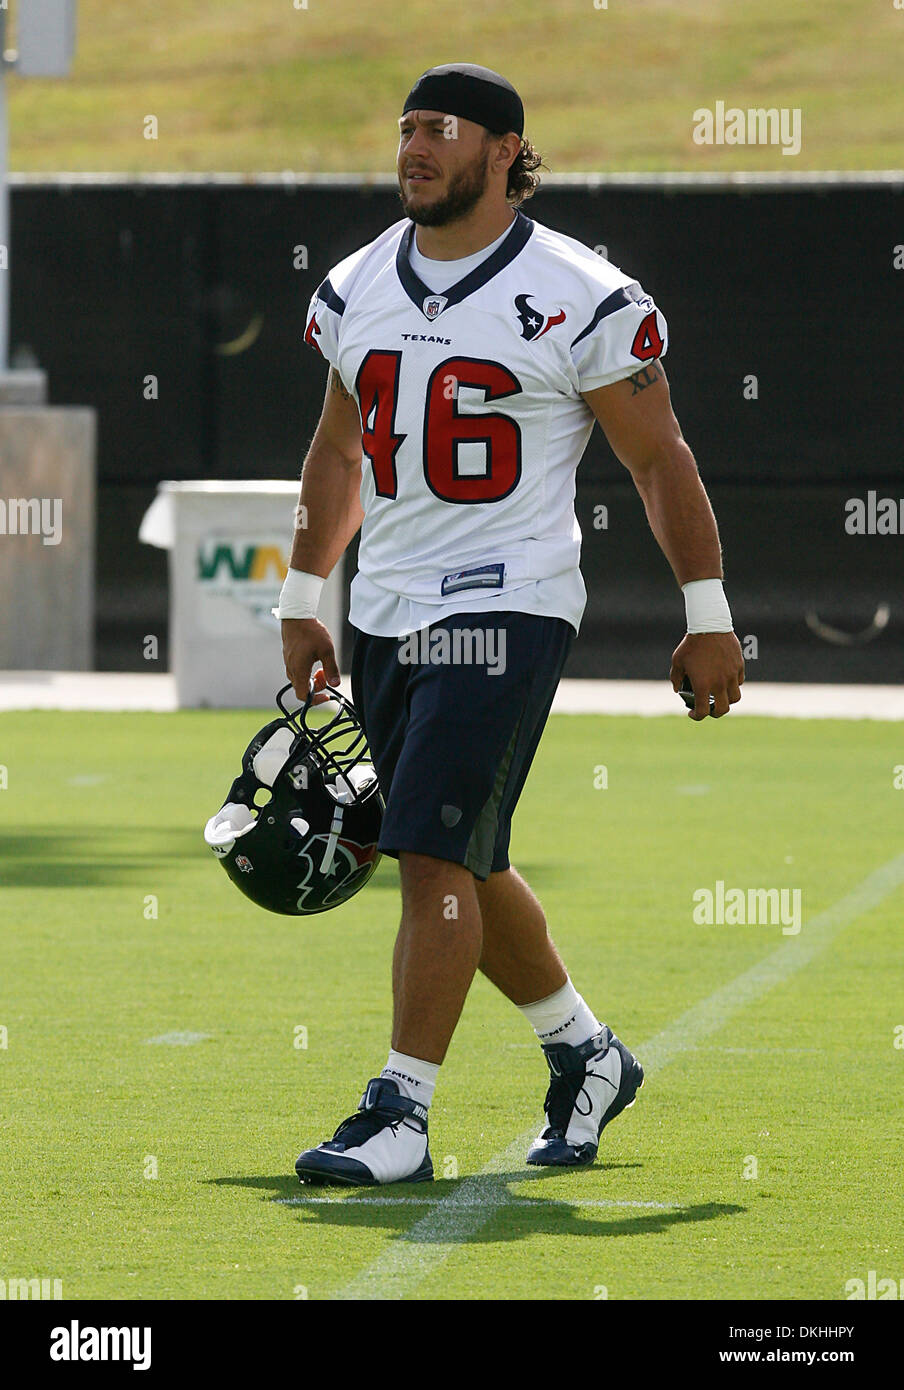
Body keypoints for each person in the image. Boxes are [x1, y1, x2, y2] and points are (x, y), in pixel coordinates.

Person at [276, 63, 745, 1186]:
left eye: (440, 129)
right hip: (386, 601)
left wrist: (709, 613)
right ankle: (586, 1053)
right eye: (404, 128)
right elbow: (339, 451)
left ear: (503, 150)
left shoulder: (578, 292)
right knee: (462, 856)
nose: (414, 148)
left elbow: (656, 457)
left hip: (509, 598)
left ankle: (399, 1113)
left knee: (429, 846)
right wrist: (302, 596)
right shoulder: (356, 283)